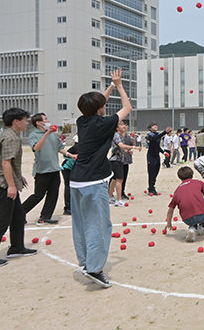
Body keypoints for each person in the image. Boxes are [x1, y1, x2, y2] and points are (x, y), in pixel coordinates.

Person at [69, 68, 132, 288]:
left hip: (76, 180)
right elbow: (127, 108)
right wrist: (120, 85)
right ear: (99, 109)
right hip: (93, 182)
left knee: (82, 224)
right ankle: (95, 269)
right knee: (100, 225)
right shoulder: (103, 124)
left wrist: (112, 85)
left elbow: (96, 104)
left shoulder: (82, 120)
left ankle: (87, 262)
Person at [0, 108, 37, 267]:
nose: (27, 123)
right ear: (16, 121)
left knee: (18, 216)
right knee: (2, 220)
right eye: (25, 120)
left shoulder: (9, 135)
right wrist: (12, 186)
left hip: (8, 181)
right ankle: (16, 246)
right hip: (4, 185)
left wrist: (18, 176)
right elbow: (6, 162)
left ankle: (16, 247)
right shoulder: (11, 138)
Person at [22, 113, 75, 225]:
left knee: (53, 194)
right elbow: (36, 148)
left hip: (54, 169)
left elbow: (60, 148)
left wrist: (71, 155)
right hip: (42, 170)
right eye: (45, 119)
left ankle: (45, 217)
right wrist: (46, 134)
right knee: (38, 195)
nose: (48, 120)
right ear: (38, 123)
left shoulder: (53, 135)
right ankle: (19, 213)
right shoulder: (34, 135)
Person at [165, 166, 204, 242]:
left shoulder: (177, 190)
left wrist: (169, 223)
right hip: (201, 216)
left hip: (187, 219)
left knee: (191, 208)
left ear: (180, 178)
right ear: (192, 174)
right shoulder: (199, 182)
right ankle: (202, 226)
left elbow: (170, 210)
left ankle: (192, 227)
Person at [108, 121, 139, 207]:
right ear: (117, 128)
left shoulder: (121, 136)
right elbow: (121, 146)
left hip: (117, 160)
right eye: (121, 125)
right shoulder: (117, 135)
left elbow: (120, 148)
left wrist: (128, 150)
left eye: (124, 125)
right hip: (116, 160)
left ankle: (110, 197)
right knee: (119, 180)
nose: (124, 126)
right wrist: (134, 147)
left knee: (114, 180)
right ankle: (118, 199)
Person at [146, 123, 172, 195]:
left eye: (156, 125)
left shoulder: (158, 135)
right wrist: (165, 132)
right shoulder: (149, 135)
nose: (156, 126)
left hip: (157, 156)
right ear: (150, 128)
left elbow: (157, 146)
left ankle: (152, 186)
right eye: (154, 126)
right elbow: (154, 138)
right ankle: (151, 188)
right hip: (151, 156)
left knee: (156, 171)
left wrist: (163, 152)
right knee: (151, 172)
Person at [120, 122, 136, 199]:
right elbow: (117, 147)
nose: (125, 127)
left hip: (126, 160)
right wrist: (125, 150)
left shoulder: (127, 136)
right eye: (123, 125)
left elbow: (133, 145)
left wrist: (134, 137)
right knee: (116, 178)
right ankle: (111, 192)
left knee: (124, 177)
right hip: (118, 160)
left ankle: (122, 192)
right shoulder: (117, 136)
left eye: (126, 125)